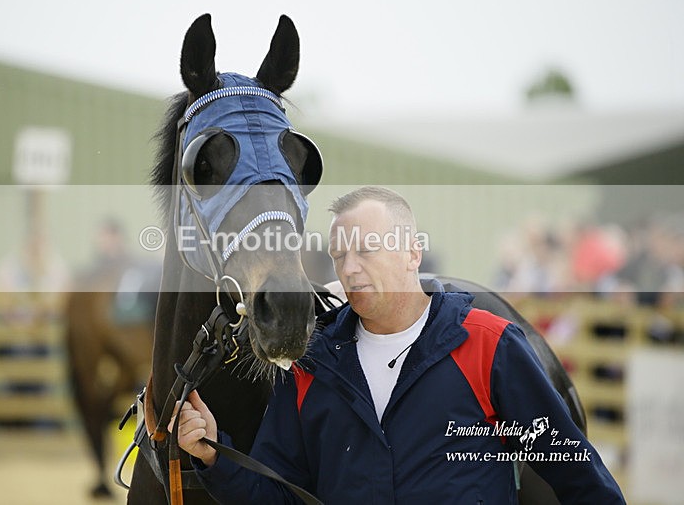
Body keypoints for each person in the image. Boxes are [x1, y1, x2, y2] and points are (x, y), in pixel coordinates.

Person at [170, 186, 625, 503]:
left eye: (365, 249)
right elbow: (279, 497)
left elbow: (576, 472)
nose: (349, 269)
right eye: (338, 255)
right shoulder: (310, 367)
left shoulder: (490, 346)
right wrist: (215, 454)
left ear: (412, 252)